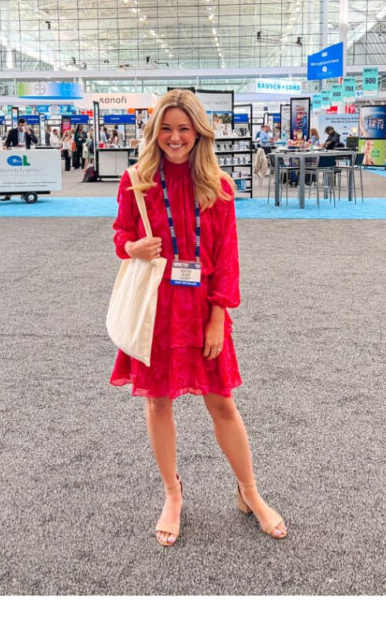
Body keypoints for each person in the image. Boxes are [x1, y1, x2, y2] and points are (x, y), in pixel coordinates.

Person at [111, 89, 286, 546]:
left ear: (198, 132)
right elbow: (121, 235)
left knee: (222, 402)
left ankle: (250, 492)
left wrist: (217, 317)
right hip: (157, 308)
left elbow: (227, 256)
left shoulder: (219, 185)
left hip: (203, 306)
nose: (174, 138)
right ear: (154, 132)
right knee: (158, 401)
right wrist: (132, 248)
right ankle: (173, 493)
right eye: (165, 128)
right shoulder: (135, 181)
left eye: (183, 129)